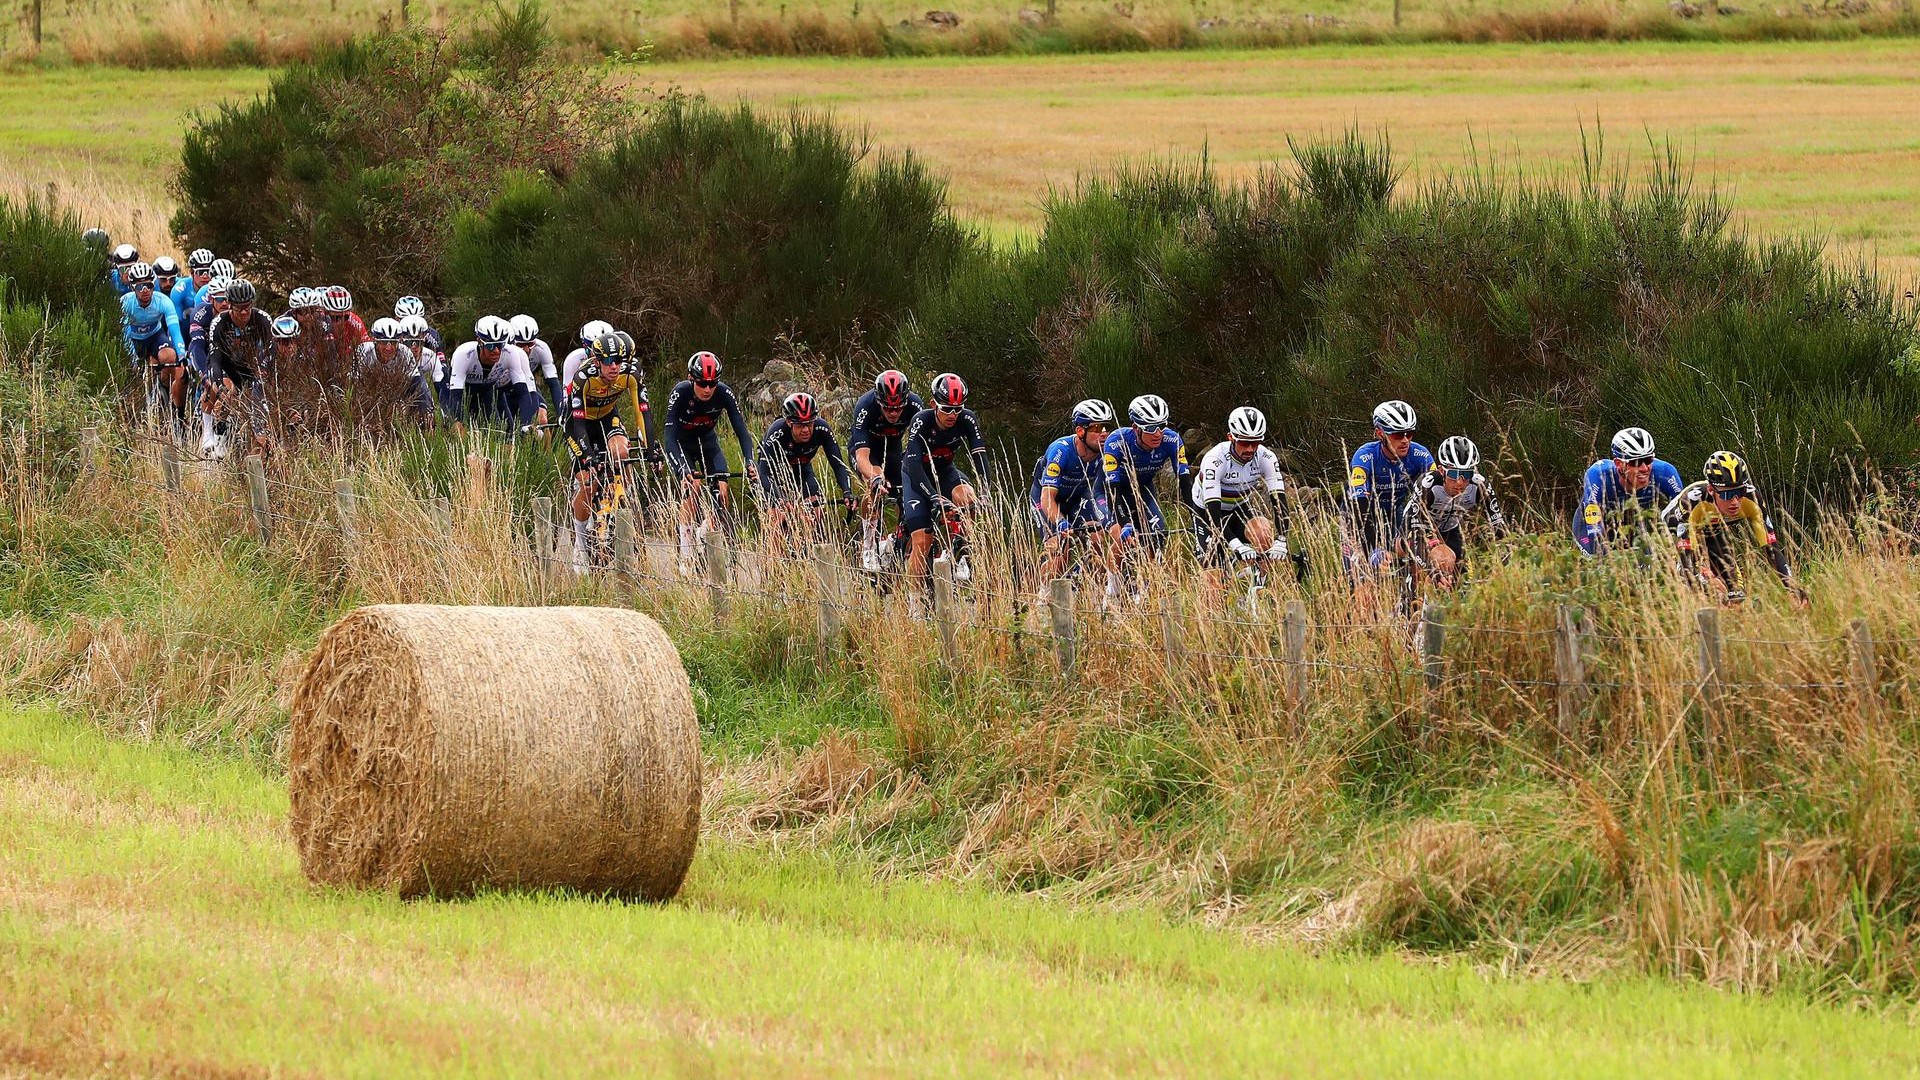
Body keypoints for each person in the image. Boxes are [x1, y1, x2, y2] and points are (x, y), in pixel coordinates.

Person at [1662, 450, 1806, 604]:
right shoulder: (1692, 502)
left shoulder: (1752, 499)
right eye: (1726, 495)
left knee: (1736, 596)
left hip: (1714, 533)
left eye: (1740, 491)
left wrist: (1792, 587)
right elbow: (1686, 564)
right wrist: (1704, 581)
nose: (1735, 501)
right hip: (1673, 533)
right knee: (1707, 592)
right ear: (1711, 490)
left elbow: (1771, 548)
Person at [564, 332, 649, 572]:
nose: (614, 366)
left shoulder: (630, 372)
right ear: (597, 361)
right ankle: (580, 547)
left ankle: (624, 496)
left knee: (623, 452)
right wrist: (587, 455)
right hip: (578, 423)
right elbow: (578, 424)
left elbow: (642, 411)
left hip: (607, 419)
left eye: (618, 361)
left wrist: (649, 446)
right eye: (608, 361)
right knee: (588, 482)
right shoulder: (584, 375)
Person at [662, 350, 757, 563]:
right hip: (681, 445)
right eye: (702, 383)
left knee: (722, 490)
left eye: (712, 383)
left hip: (707, 443)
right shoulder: (680, 393)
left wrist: (750, 460)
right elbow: (669, 433)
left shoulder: (724, 393)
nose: (707, 389)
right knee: (693, 485)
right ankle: (686, 555)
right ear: (691, 379)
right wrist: (683, 469)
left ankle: (706, 531)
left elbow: (741, 430)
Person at [1190, 406, 1296, 590]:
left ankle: (1258, 591)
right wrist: (1236, 544)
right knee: (1213, 583)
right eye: (1245, 442)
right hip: (1207, 513)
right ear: (1231, 437)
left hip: (1238, 507)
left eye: (1255, 443)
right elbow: (1213, 513)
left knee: (1263, 531)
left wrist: (1281, 540)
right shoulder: (1215, 459)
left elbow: (1279, 500)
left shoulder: (1266, 457)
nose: (1250, 449)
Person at [901, 372, 989, 589]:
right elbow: (913, 464)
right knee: (922, 540)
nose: (953, 415)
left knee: (968, 497)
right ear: (933, 404)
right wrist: (933, 497)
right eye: (947, 409)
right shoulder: (921, 420)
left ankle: (958, 552)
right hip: (917, 475)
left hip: (946, 471)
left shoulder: (967, 419)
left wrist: (986, 491)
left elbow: (979, 454)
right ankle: (914, 604)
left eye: (958, 409)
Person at [1403, 435, 1510, 589]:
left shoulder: (1480, 485)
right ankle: (1407, 603)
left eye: (1466, 475)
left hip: (1450, 529)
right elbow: (1415, 530)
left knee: (1460, 585)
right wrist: (1432, 571)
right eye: (1453, 474)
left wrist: (1510, 559)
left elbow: (1499, 526)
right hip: (1418, 529)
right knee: (1424, 577)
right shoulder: (1428, 485)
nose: (1460, 482)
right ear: (1441, 470)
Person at [1031, 399, 1118, 582]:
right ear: (1080, 431)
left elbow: (1105, 491)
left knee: (1097, 539)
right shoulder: (1060, 451)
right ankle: (1041, 592)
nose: (1103, 433)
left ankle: (1080, 580)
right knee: (1060, 551)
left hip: (1078, 496)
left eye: (1106, 427)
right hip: (1047, 498)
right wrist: (1061, 523)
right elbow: (1047, 497)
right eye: (1096, 428)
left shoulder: (1106, 453)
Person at [1345, 399, 1433, 577]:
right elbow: (1359, 506)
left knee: (1408, 567)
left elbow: (1436, 490)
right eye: (1397, 435)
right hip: (1361, 513)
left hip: (1395, 511)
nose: (1405, 440)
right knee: (1358, 575)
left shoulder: (1420, 455)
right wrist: (1372, 549)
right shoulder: (1364, 456)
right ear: (1379, 434)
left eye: (1410, 433)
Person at [846, 368, 923, 572]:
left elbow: (920, 448)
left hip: (894, 449)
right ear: (879, 401)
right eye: (887, 408)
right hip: (865, 449)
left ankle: (898, 537)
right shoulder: (865, 406)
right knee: (874, 484)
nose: (893, 413)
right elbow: (862, 458)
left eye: (898, 408)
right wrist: (875, 477)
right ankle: (868, 547)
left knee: (907, 490)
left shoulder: (916, 405)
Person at [755, 392, 854, 550]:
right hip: (774, 475)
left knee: (816, 513)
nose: (807, 429)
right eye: (801, 425)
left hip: (802, 470)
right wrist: (780, 500)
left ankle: (811, 554)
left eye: (810, 423)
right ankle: (774, 566)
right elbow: (764, 474)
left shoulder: (822, 429)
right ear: (789, 422)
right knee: (777, 518)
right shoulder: (777, 432)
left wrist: (847, 491)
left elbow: (839, 465)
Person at [1574, 426, 1686, 557]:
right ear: (1618, 463)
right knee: (1599, 561)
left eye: (1649, 459)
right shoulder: (1598, 475)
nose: (1645, 468)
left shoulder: (1664, 472)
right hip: (1594, 527)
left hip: (1635, 525)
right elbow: (1594, 529)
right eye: (1636, 462)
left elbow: (1683, 515)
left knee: (1649, 566)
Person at [1102, 393, 1188, 555]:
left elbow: (1185, 483)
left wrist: (1197, 516)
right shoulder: (1116, 441)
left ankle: (1148, 579)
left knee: (1158, 536)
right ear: (1135, 428)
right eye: (1149, 428)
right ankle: (1112, 580)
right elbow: (1113, 488)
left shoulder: (1172, 440)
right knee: (1122, 539)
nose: (1157, 434)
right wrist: (1124, 522)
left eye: (1162, 426)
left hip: (1143, 491)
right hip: (1112, 491)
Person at [206, 279, 275, 456]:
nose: (244, 312)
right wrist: (218, 382)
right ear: (230, 305)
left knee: (260, 399)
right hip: (229, 367)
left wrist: (264, 375)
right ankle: (218, 441)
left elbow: (271, 351)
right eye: (239, 308)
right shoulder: (219, 322)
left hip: (254, 366)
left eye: (247, 306)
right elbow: (214, 357)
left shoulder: (262, 318)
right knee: (223, 394)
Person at [118, 262, 190, 428]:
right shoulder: (125, 302)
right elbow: (123, 334)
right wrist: (132, 359)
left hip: (154, 336)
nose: (145, 291)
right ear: (132, 287)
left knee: (169, 356)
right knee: (129, 371)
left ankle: (163, 388)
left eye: (149, 286)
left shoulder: (163, 301)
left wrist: (181, 354)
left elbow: (174, 330)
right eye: (140, 286)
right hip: (133, 339)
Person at [444, 316, 541, 429]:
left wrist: (527, 424)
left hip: (486, 391)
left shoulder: (511, 354)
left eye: (500, 345)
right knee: (458, 428)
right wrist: (458, 421)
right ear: (480, 342)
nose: (496, 350)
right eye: (490, 346)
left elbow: (523, 392)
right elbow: (456, 397)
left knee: (504, 433)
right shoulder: (464, 354)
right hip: (459, 391)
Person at [509, 314, 566, 417]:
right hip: (506, 388)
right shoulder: (504, 352)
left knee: (541, 417)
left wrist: (562, 416)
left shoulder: (541, 348)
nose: (526, 350)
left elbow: (554, 384)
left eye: (530, 344)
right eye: (520, 345)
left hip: (528, 385)